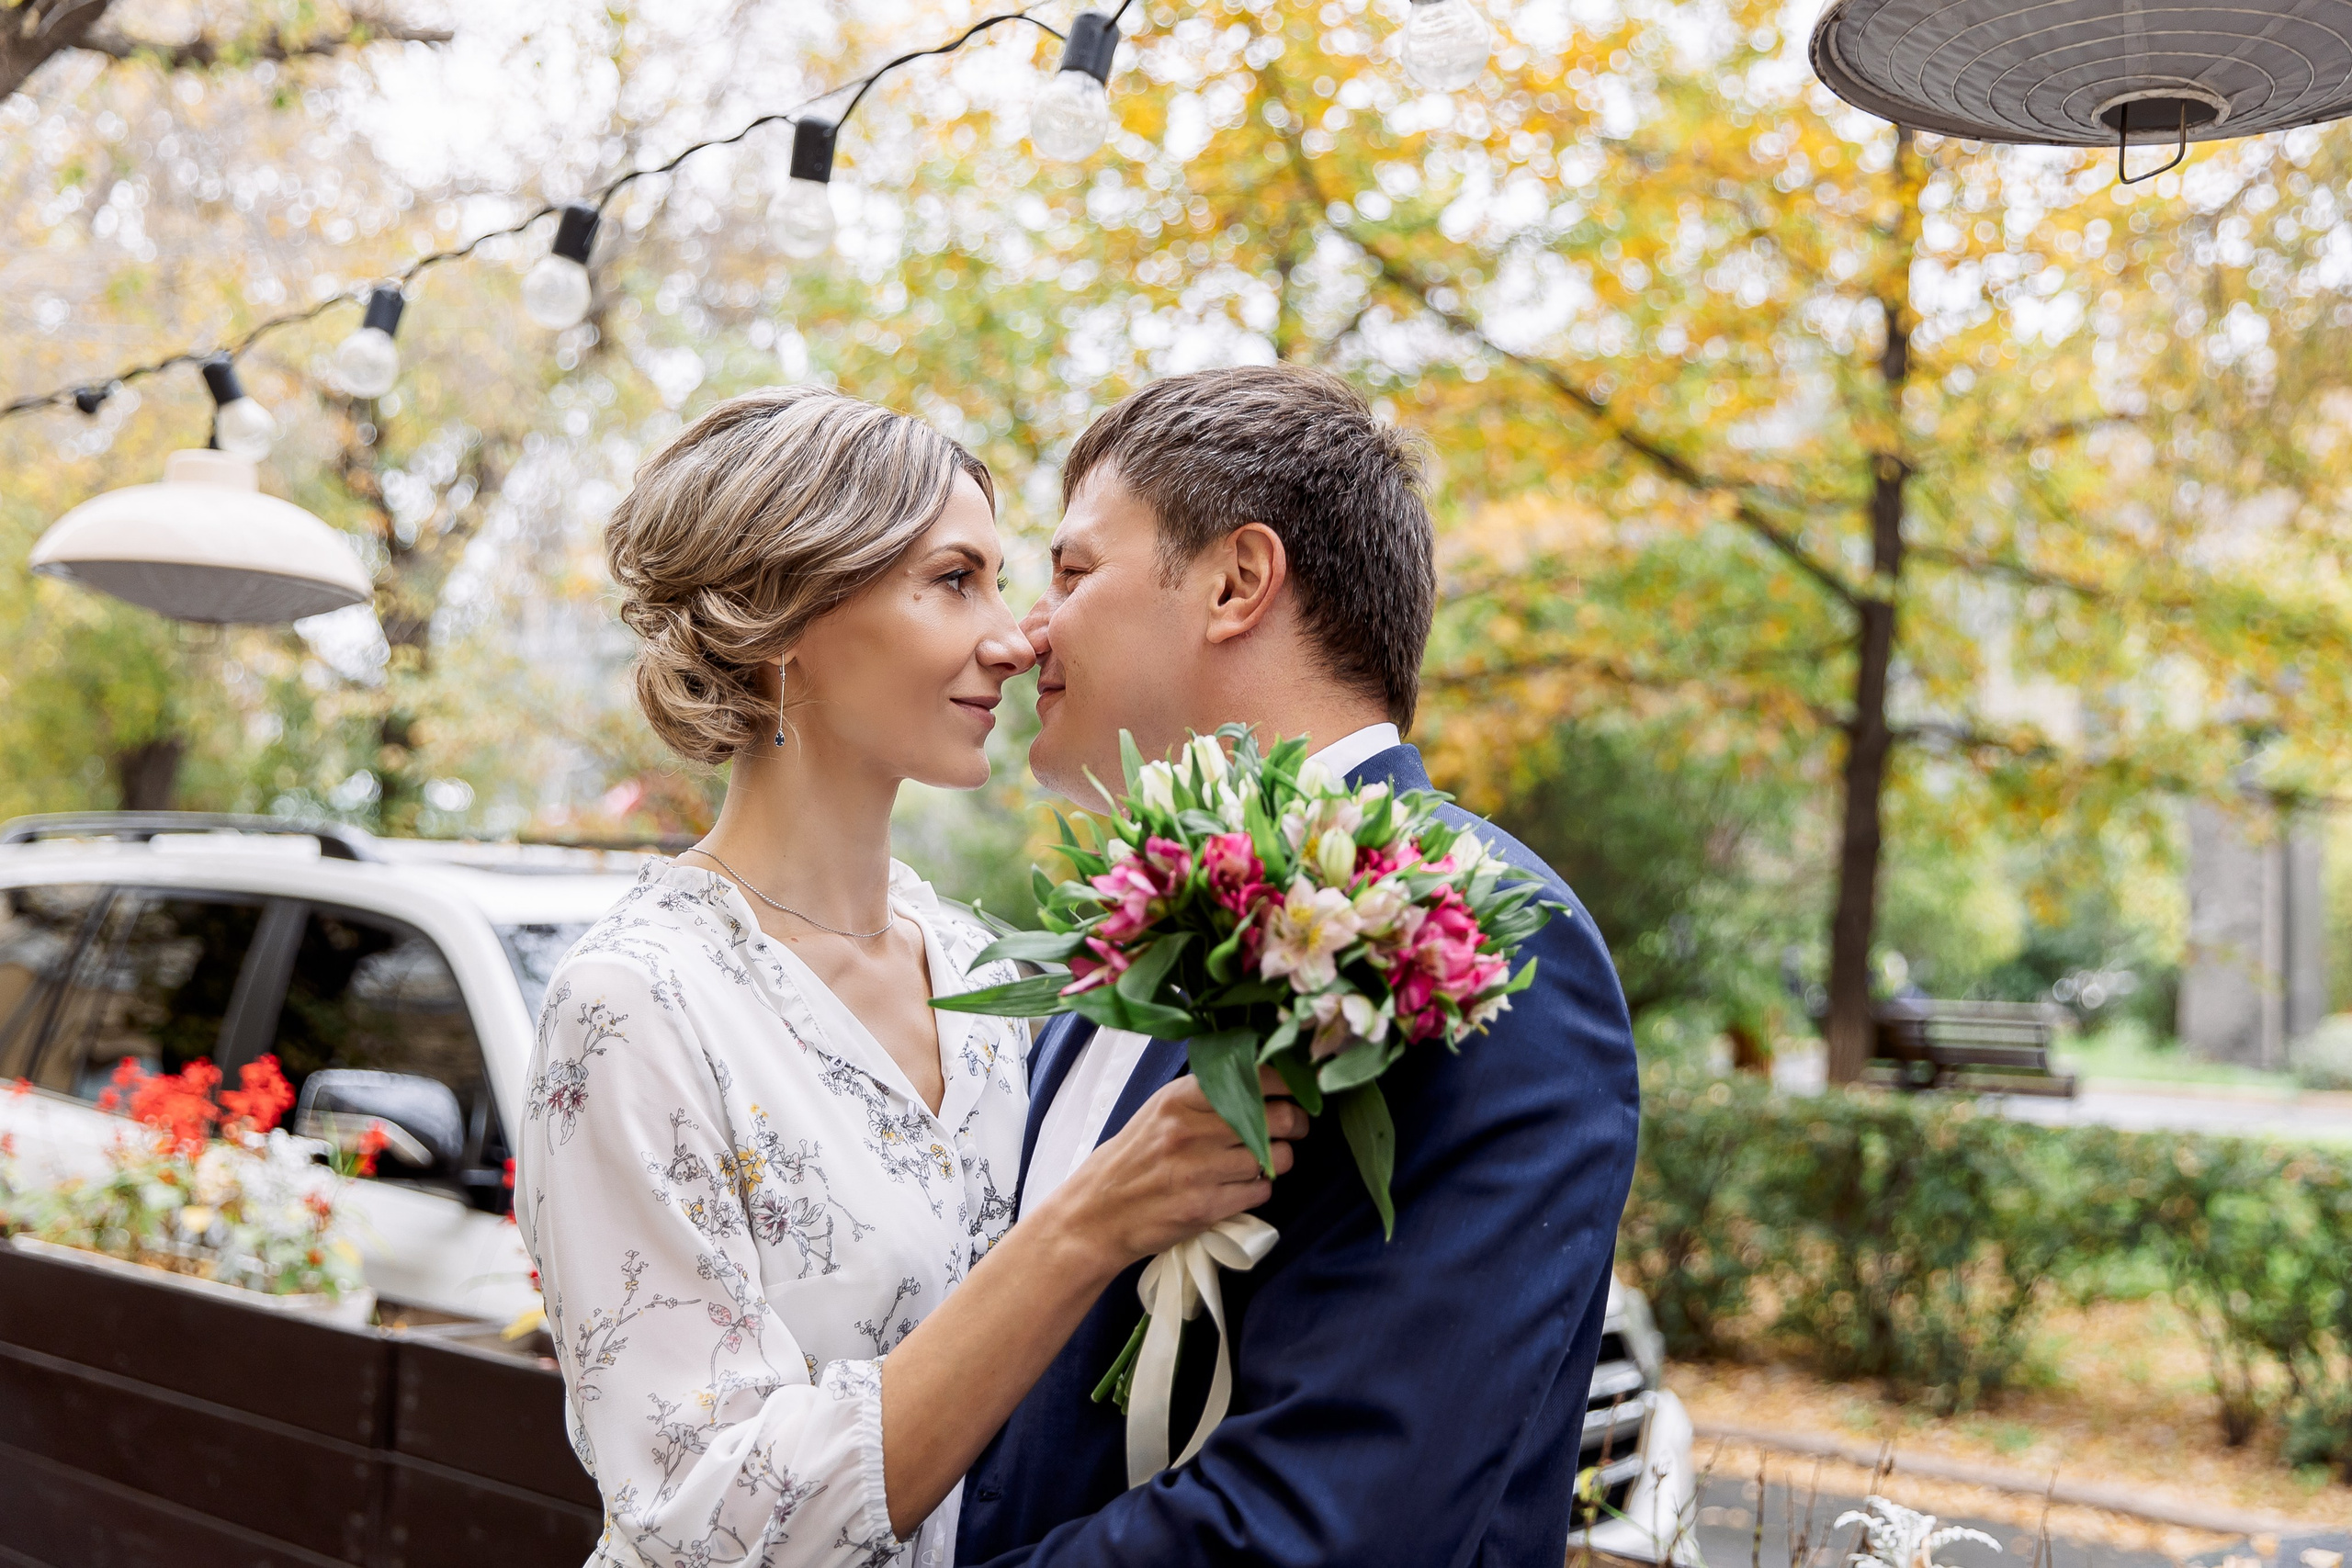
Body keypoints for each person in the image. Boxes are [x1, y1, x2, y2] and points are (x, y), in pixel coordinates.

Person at [514, 388, 1306, 1568]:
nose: (1018, 636)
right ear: (788, 609)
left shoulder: (995, 974)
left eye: (1005, 580)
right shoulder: (636, 1001)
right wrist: (1087, 1224)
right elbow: (701, 1515)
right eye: (954, 581)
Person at [955, 366, 1643, 1566]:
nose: (1023, 633)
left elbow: (1328, 1521)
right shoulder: (1113, 943)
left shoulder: (1487, 938)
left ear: (1235, 581)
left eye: (1070, 573)